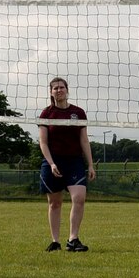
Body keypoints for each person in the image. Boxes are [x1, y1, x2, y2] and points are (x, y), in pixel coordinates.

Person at [37, 76, 94, 252]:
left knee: (79, 198)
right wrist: (51, 163)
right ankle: (55, 241)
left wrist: (90, 164)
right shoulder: (46, 114)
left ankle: (73, 239)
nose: (59, 90)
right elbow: (43, 142)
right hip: (53, 162)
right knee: (55, 203)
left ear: (67, 90)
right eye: (55, 88)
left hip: (74, 161)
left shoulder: (78, 112)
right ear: (51, 92)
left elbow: (84, 140)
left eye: (62, 87)